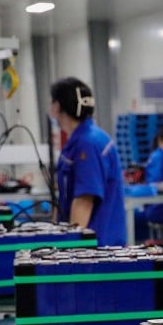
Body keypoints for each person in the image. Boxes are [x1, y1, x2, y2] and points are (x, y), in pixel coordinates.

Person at [51, 77, 127, 246]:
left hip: (96, 249)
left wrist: (68, 248)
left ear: (56, 107)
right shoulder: (76, 141)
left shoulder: (88, 143)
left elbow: (84, 201)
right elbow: (63, 197)